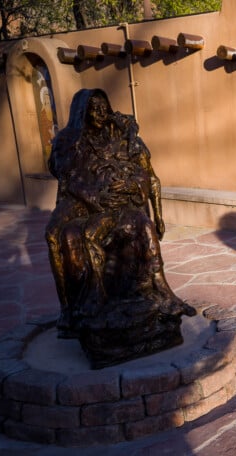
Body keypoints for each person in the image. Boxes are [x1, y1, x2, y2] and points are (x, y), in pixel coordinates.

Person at [47, 89, 194, 340]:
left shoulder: (116, 134)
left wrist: (131, 190)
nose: (101, 113)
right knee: (54, 235)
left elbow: (142, 173)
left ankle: (148, 292)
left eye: (104, 108)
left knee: (136, 225)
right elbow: (65, 175)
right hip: (79, 196)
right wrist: (93, 196)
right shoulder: (68, 138)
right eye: (94, 108)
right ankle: (68, 310)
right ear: (82, 112)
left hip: (111, 199)